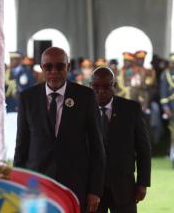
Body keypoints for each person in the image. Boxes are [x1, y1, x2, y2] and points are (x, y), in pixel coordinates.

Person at [14, 47, 106, 212]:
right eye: (48, 67)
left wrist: (95, 190)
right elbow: (21, 146)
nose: (54, 71)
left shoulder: (85, 96)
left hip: (76, 185)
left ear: (68, 67)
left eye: (59, 66)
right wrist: (18, 185)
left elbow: (97, 147)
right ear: (42, 68)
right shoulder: (27, 98)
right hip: (37, 184)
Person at [90, 66, 151, 213]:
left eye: (106, 86)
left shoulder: (131, 109)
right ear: (90, 86)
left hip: (125, 188)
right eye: (96, 86)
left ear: (115, 86)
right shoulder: (82, 110)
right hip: (92, 189)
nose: (101, 90)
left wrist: (142, 183)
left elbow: (143, 149)